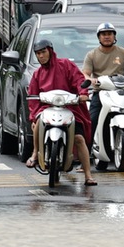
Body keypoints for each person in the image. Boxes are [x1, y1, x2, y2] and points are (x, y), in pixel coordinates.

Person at [25, 39, 94, 184]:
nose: (41, 56)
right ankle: (35, 154)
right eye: (38, 54)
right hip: (46, 109)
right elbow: (32, 97)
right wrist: (33, 116)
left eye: (43, 52)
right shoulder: (37, 74)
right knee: (38, 124)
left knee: (79, 139)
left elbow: (79, 80)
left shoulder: (66, 65)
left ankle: (88, 175)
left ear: (50, 51)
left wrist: (82, 93)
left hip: (70, 108)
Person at [81, 21, 124, 169]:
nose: (107, 37)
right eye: (103, 34)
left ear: (114, 36)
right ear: (99, 37)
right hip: (101, 93)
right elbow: (85, 73)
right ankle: (86, 158)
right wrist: (90, 80)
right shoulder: (92, 55)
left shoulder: (123, 52)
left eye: (109, 34)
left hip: (121, 91)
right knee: (91, 121)